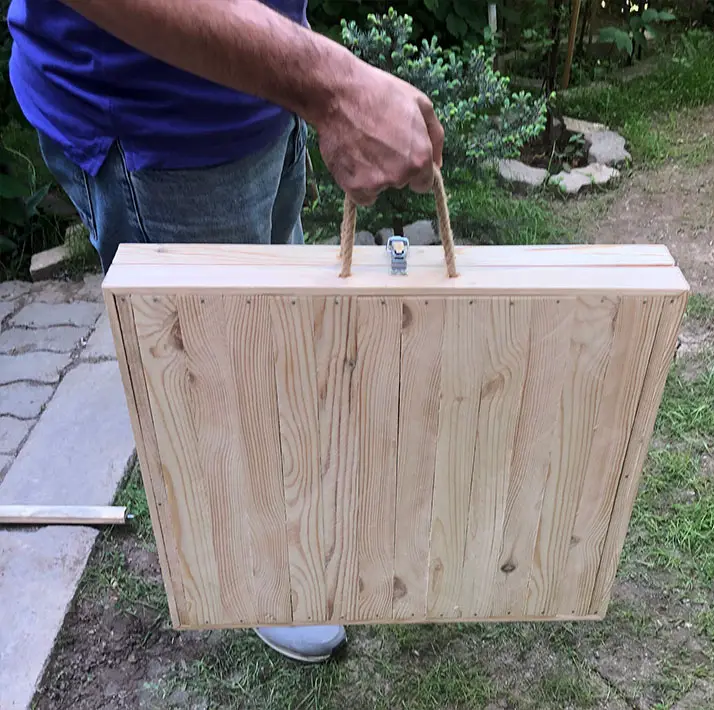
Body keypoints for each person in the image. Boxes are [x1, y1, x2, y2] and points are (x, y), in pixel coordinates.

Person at [7, 0, 445, 663]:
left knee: (279, 353)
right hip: (160, 131)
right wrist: (334, 85)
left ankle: (299, 517)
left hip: (264, 96)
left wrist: (299, 78)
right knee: (222, 393)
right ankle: (267, 580)